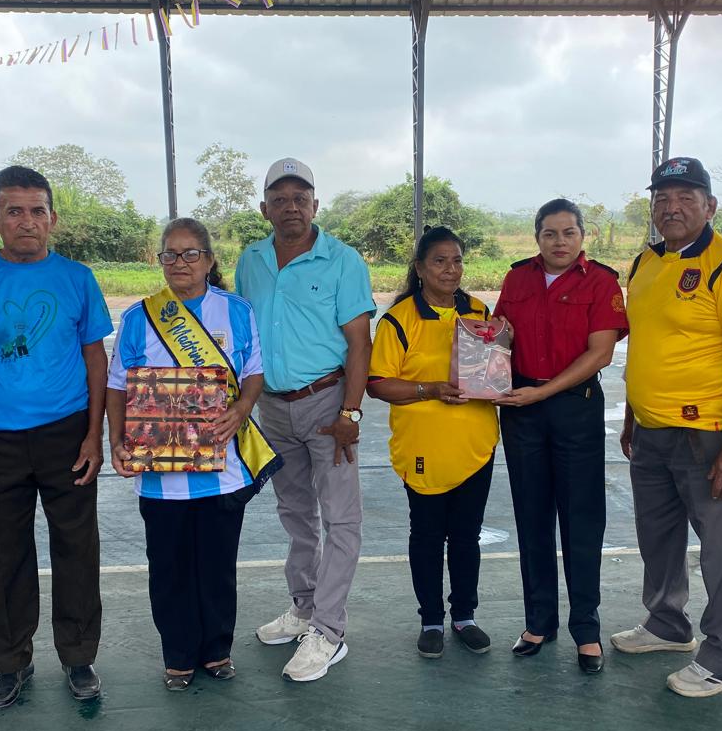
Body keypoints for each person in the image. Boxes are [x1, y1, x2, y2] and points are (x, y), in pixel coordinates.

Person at [0, 166, 112, 709]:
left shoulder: (77, 278)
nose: (27, 221)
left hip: (67, 433)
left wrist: (94, 435)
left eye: (37, 211)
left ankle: (79, 656)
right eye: (14, 211)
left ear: (52, 219)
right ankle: (12, 663)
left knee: (77, 550)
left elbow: (95, 359)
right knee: (5, 556)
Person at [615, 157, 722, 697]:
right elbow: (647, 344)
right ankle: (667, 624)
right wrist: (634, 414)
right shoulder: (646, 262)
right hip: (652, 431)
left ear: (710, 205)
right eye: (662, 198)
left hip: (710, 435)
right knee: (657, 537)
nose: (671, 207)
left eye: (685, 197)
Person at [107, 218, 280, 690]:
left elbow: (254, 372)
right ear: (159, 260)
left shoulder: (236, 311)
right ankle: (178, 656)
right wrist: (116, 439)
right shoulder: (139, 317)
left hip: (223, 470)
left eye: (190, 254)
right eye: (170, 254)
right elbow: (118, 385)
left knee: (217, 568)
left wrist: (242, 409)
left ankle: (217, 651)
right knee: (169, 569)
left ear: (208, 260)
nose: (179, 263)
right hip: (160, 476)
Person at [235, 158, 376, 682]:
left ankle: (329, 631)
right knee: (295, 512)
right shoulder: (251, 261)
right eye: (280, 198)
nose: (290, 207)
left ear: (315, 205)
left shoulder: (342, 260)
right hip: (272, 407)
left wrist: (350, 412)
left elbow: (360, 343)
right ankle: (304, 605)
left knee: (341, 519)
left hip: (327, 404)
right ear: (264, 208)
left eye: (300, 198)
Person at [493, 200, 626, 674]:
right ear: (537, 238)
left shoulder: (601, 282)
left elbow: (600, 354)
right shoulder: (518, 279)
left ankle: (586, 630)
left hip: (575, 408)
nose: (560, 242)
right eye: (550, 233)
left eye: (569, 232)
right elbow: (501, 337)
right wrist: (481, 355)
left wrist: (543, 392)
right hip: (523, 412)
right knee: (531, 517)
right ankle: (538, 623)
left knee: (581, 520)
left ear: (583, 236)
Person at [367, 227, 499, 659]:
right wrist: (430, 390)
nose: (450, 269)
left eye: (457, 260)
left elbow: (492, 368)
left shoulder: (478, 310)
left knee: (466, 536)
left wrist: (504, 349)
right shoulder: (399, 319)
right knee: (426, 535)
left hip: (476, 444)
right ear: (420, 268)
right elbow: (378, 384)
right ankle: (431, 620)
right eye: (440, 261)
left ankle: (465, 616)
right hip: (423, 446)